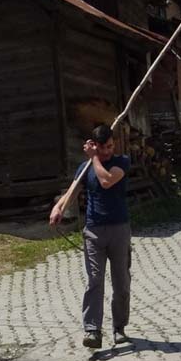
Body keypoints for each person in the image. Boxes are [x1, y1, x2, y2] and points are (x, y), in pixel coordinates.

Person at [49, 124, 131, 349]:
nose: (107, 151)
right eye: (103, 148)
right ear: (94, 145)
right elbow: (72, 191)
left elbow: (106, 181)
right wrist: (58, 207)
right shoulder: (85, 168)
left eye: (110, 146)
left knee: (121, 283)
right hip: (94, 231)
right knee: (95, 280)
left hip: (119, 229)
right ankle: (92, 330)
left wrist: (94, 157)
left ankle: (119, 328)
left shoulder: (122, 162)